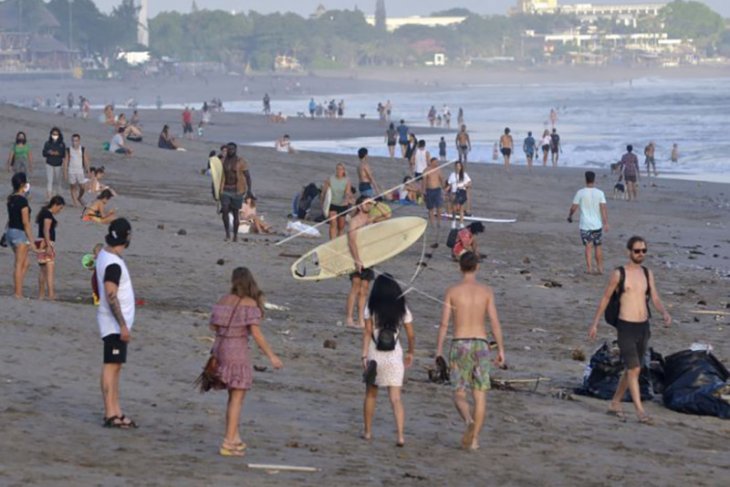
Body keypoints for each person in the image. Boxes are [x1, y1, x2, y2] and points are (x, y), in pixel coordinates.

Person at [588, 236, 672, 424]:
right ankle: (640, 412)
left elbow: (655, 297)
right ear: (629, 252)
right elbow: (605, 298)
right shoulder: (619, 274)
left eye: (643, 251)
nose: (640, 254)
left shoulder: (647, 273)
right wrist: (594, 323)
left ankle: (615, 403)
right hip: (626, 326)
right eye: (637, 251)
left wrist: (664, 313)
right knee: (634, 368)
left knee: (633, 368)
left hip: (643, 326)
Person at [209, 267, 283, 456]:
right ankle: (228, 442)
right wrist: (272, 356)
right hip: (238, 351)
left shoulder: (223, 300)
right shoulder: (250, 303)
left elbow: (213, 326)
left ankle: (234, 437)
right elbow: (256, 334)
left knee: (232, 397)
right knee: (237, 398)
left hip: (220, 348)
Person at [436, 251, 506, 450]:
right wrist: (501, 349)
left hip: (460, 343)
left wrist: (439, 350)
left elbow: (443, 324)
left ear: (460, 267)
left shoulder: (452, 291)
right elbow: (494, 322)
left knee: (459, 392)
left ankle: (468, 421)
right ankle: (474, 439)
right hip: (481, 344)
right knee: (480, 394)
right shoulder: (486, 291)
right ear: (477, 267)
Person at [361, 274, 416, 447]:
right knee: (396, 399)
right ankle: (400, 436)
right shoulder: (402, 308)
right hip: (394, 355)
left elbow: (367, 332)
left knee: (371, 395)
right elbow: (411, 335)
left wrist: (364, 355)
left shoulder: (371, 307)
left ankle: (368, 432)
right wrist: (411, 352)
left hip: (375, 354)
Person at [96, 218, 138, 429]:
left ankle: (116, 410)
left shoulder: (106, 255)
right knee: (111, 367)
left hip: (113, 322)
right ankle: (110, 413)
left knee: (116, 367)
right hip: (113, 324)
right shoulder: (112, 263)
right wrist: (122, 325)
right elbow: (111, 293)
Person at [568, 171, 609, 274]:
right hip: (597, 224)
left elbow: (574, 207)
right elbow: (603, 208)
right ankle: (600, 268)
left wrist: (570, 215)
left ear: (585, 179)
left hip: (585, 224)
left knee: (588, 246)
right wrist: (606, 223)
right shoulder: (600, 193)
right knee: (598, 246)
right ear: (594, 180)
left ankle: (589, 268)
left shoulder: (580, 192)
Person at [6, 173, 39, 298]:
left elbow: (11, 218)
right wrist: (32, 242)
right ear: (22, 185)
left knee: (25, 263)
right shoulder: (22, 201)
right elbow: (26, 223)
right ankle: (18, 293)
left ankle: (17, 287)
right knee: (19, 264)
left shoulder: (11, 199)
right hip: (19, 233)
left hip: (11, 231)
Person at [347, 196, 376, 328]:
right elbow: (352, 241)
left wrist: (375, 203)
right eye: (367, 203)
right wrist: (356, 259)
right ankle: (349, 318)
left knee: (364, 290)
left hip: (368, 258)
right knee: (355, 287)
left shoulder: (370, 220)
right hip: (356, 258)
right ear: (359, 206)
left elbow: (387, 214)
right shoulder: (354, 221)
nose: (369, 206)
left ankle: (361, 319)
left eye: (371, 204)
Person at [219, 143, 251, 242]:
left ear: (236, 150)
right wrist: (215, 191)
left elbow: (247, 176)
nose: (230, 151)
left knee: (235, 212)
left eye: (232, 149)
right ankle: (227, 233)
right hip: (225, 189)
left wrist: (249, 190)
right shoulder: (222, 161)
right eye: (229, 149)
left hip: (237, 190)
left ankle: (235, 235)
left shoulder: (241, 161)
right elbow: (216, 177)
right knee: (224, 210)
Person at [36, 196, 65, 300]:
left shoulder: (44, 213)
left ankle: (41, 295)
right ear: (55, 205)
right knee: (50, 269)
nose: (60, 210)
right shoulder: (48, 214)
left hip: (40, 242)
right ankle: (51, 294)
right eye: (60, 208)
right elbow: (46, 230)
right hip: (46, 242)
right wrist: (48, 246)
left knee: (43, 270)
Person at [322, 163, 354, 240]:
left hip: (342, 205)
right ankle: (332, 242)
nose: (338, 171)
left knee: (341, 227)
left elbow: (347, 192)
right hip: (332, 204)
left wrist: (346, 199)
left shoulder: (347, 181)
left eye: (340, 169)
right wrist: (323, 205)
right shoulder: (330, 179)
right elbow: (324, 193)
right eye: (337, 169)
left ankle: (338, 242)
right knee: (333, 224)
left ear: (343, 171)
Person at [63, 134, 90, 207]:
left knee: (82, 187)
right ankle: (75, 202)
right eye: (73, 141)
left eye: (76, 141)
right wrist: (65, 173)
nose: (74, 142)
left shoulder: (82, 149)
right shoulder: (68, 150)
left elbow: (86, 160)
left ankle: (79, 197)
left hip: (80, 171)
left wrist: (88, 170)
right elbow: (65, 162)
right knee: (73, 187)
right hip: (71, 171)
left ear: (79, 141)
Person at [42, 127, 66, 199]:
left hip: (58, 164)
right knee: (49, 181)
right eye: (53, 134)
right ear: (51, 134)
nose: (54, 135)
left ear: (59, 135)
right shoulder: (47, 143)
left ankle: (59, 196)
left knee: (58, 181)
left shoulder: (62, 144)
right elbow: (44, 153)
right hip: (49, 163)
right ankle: (49, 196)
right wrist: (49, 152)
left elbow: (63, 154)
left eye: (56, 134)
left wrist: (57, 153)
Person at [447, 161, 471, 228]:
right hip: (454, 193)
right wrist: (447, 191)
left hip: (461, 192)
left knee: (461, 208)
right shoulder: (452, 175)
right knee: (454, 208)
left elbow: (469, 183)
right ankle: (453, 222)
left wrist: (463, 185)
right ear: (455, 167)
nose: (458, 167)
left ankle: (461, 223)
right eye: (457, 166)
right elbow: (450, 184)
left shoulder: (464, 174)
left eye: (459, 166)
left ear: (461, 167)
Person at [424, 157, 444, 228]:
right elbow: (424, 181)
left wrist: (444, 188)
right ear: (431, 162)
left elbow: (441, 179)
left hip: (437, 190)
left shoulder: (438, 170)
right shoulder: (426, 170)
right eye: (435, 162)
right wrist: (423, 190)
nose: (436, 163)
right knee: (430, 208)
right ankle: (432, 223)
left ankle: (439, 222)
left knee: (439, 207)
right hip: (429, 190)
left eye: (437, 162)